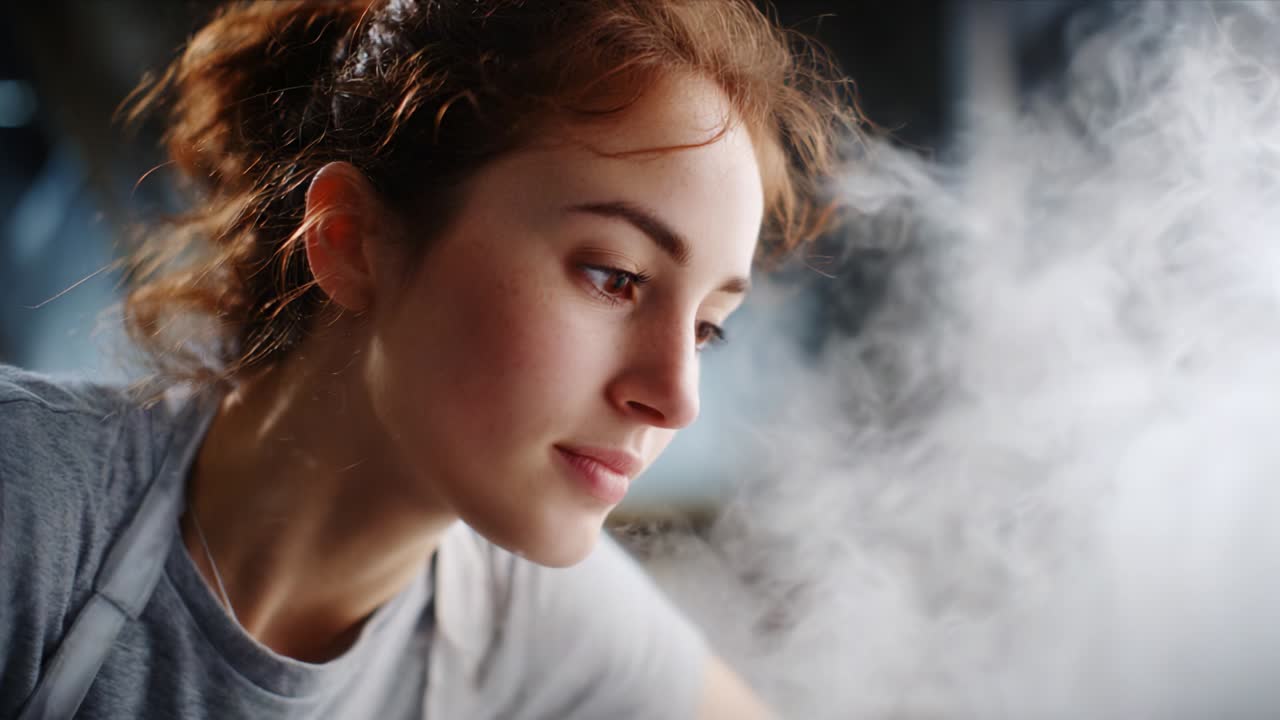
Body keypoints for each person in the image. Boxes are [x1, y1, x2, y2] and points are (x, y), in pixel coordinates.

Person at [0, 0, 858, 717]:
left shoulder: (526, 614)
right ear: (351, 241)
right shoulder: (28, 508)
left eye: (709, 327)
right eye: (615, 277)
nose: (677, 397)